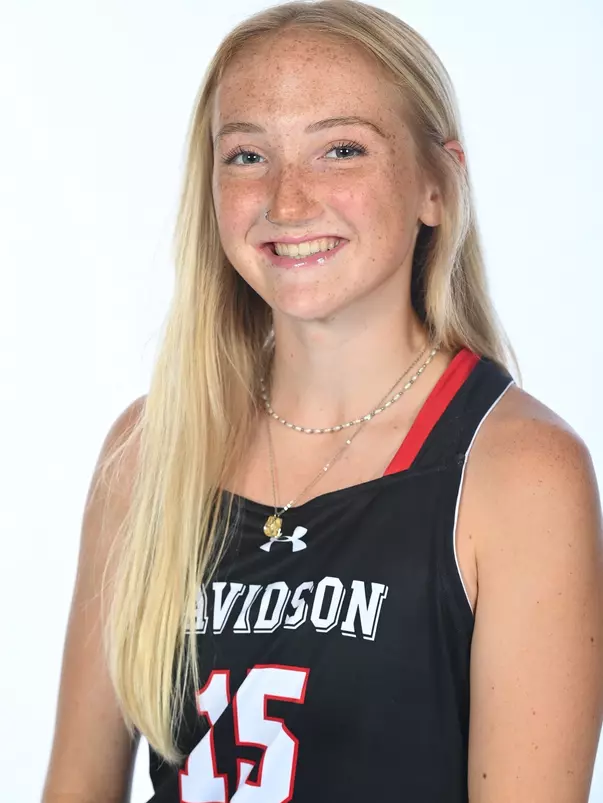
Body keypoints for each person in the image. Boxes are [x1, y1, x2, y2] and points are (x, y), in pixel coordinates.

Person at [42, 1, 603, 801]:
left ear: (436, 187)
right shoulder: (147, 451)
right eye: (246, 156)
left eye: (340, 149)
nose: (288, 199)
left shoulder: (517, 471)